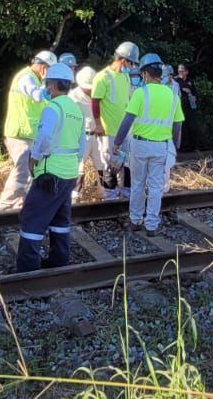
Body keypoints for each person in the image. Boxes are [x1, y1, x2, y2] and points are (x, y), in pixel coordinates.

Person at [15, 63, 86, 272]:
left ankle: (28, 268)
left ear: (53, 86)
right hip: (69, 173)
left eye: (48, 84)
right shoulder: (76, 109)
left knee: (32, 218)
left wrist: (33, 159)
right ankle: (58, 260)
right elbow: (81, 145)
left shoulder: (52, 109)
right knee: (60, 219)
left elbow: (44, 138)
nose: (46, 88)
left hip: (50, 173)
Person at [109, 53, 183, 233]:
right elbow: (178, 124)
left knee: (138, 184)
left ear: (145, 74)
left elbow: (127, 120)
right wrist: (175, 144)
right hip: (161, 146)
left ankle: (135, 220)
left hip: (140, 145)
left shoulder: (140, 93)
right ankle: (151, 224)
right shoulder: (173, 95)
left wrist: (117, 143)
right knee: (156, 187)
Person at [0, 50, 57, 210]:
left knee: (30, 170)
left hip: (30, 133)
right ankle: (7, 204)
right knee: (22, 168)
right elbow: (37, 96)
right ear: (43, 67)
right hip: (20, 133)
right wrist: (49, 90)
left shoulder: (36, 79)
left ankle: (19, 204)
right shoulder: (26, 77)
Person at [90, 42, 139, 200]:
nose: (132, 67)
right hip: (109, 130)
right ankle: (110, 196)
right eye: (131, 63)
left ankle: (126, 193)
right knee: (109, 164)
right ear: (124, 60)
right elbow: (95, 101)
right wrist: (98, 124)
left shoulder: (125, 76)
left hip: (125, 129)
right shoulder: (103, 77)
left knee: (127, 163)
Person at [71, 66, 108, 201]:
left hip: (98, 136)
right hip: (81, 136)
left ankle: (105, 195)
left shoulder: (99, 93)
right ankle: (75, 196)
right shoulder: (73, 96)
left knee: (102, 166)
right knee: (79, 168)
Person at [173, 63, 198, 149]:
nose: (180, 72)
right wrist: (182, 89)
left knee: (192, 126)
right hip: (179, 107)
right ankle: (182, 147)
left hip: (190, 107)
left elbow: (195, 93)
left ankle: (192, 147)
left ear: (186, 72)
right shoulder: (175, 80)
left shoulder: (190, 81)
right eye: (179, 71)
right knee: (181, 127)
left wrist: (192, 94)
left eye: (182, 71)